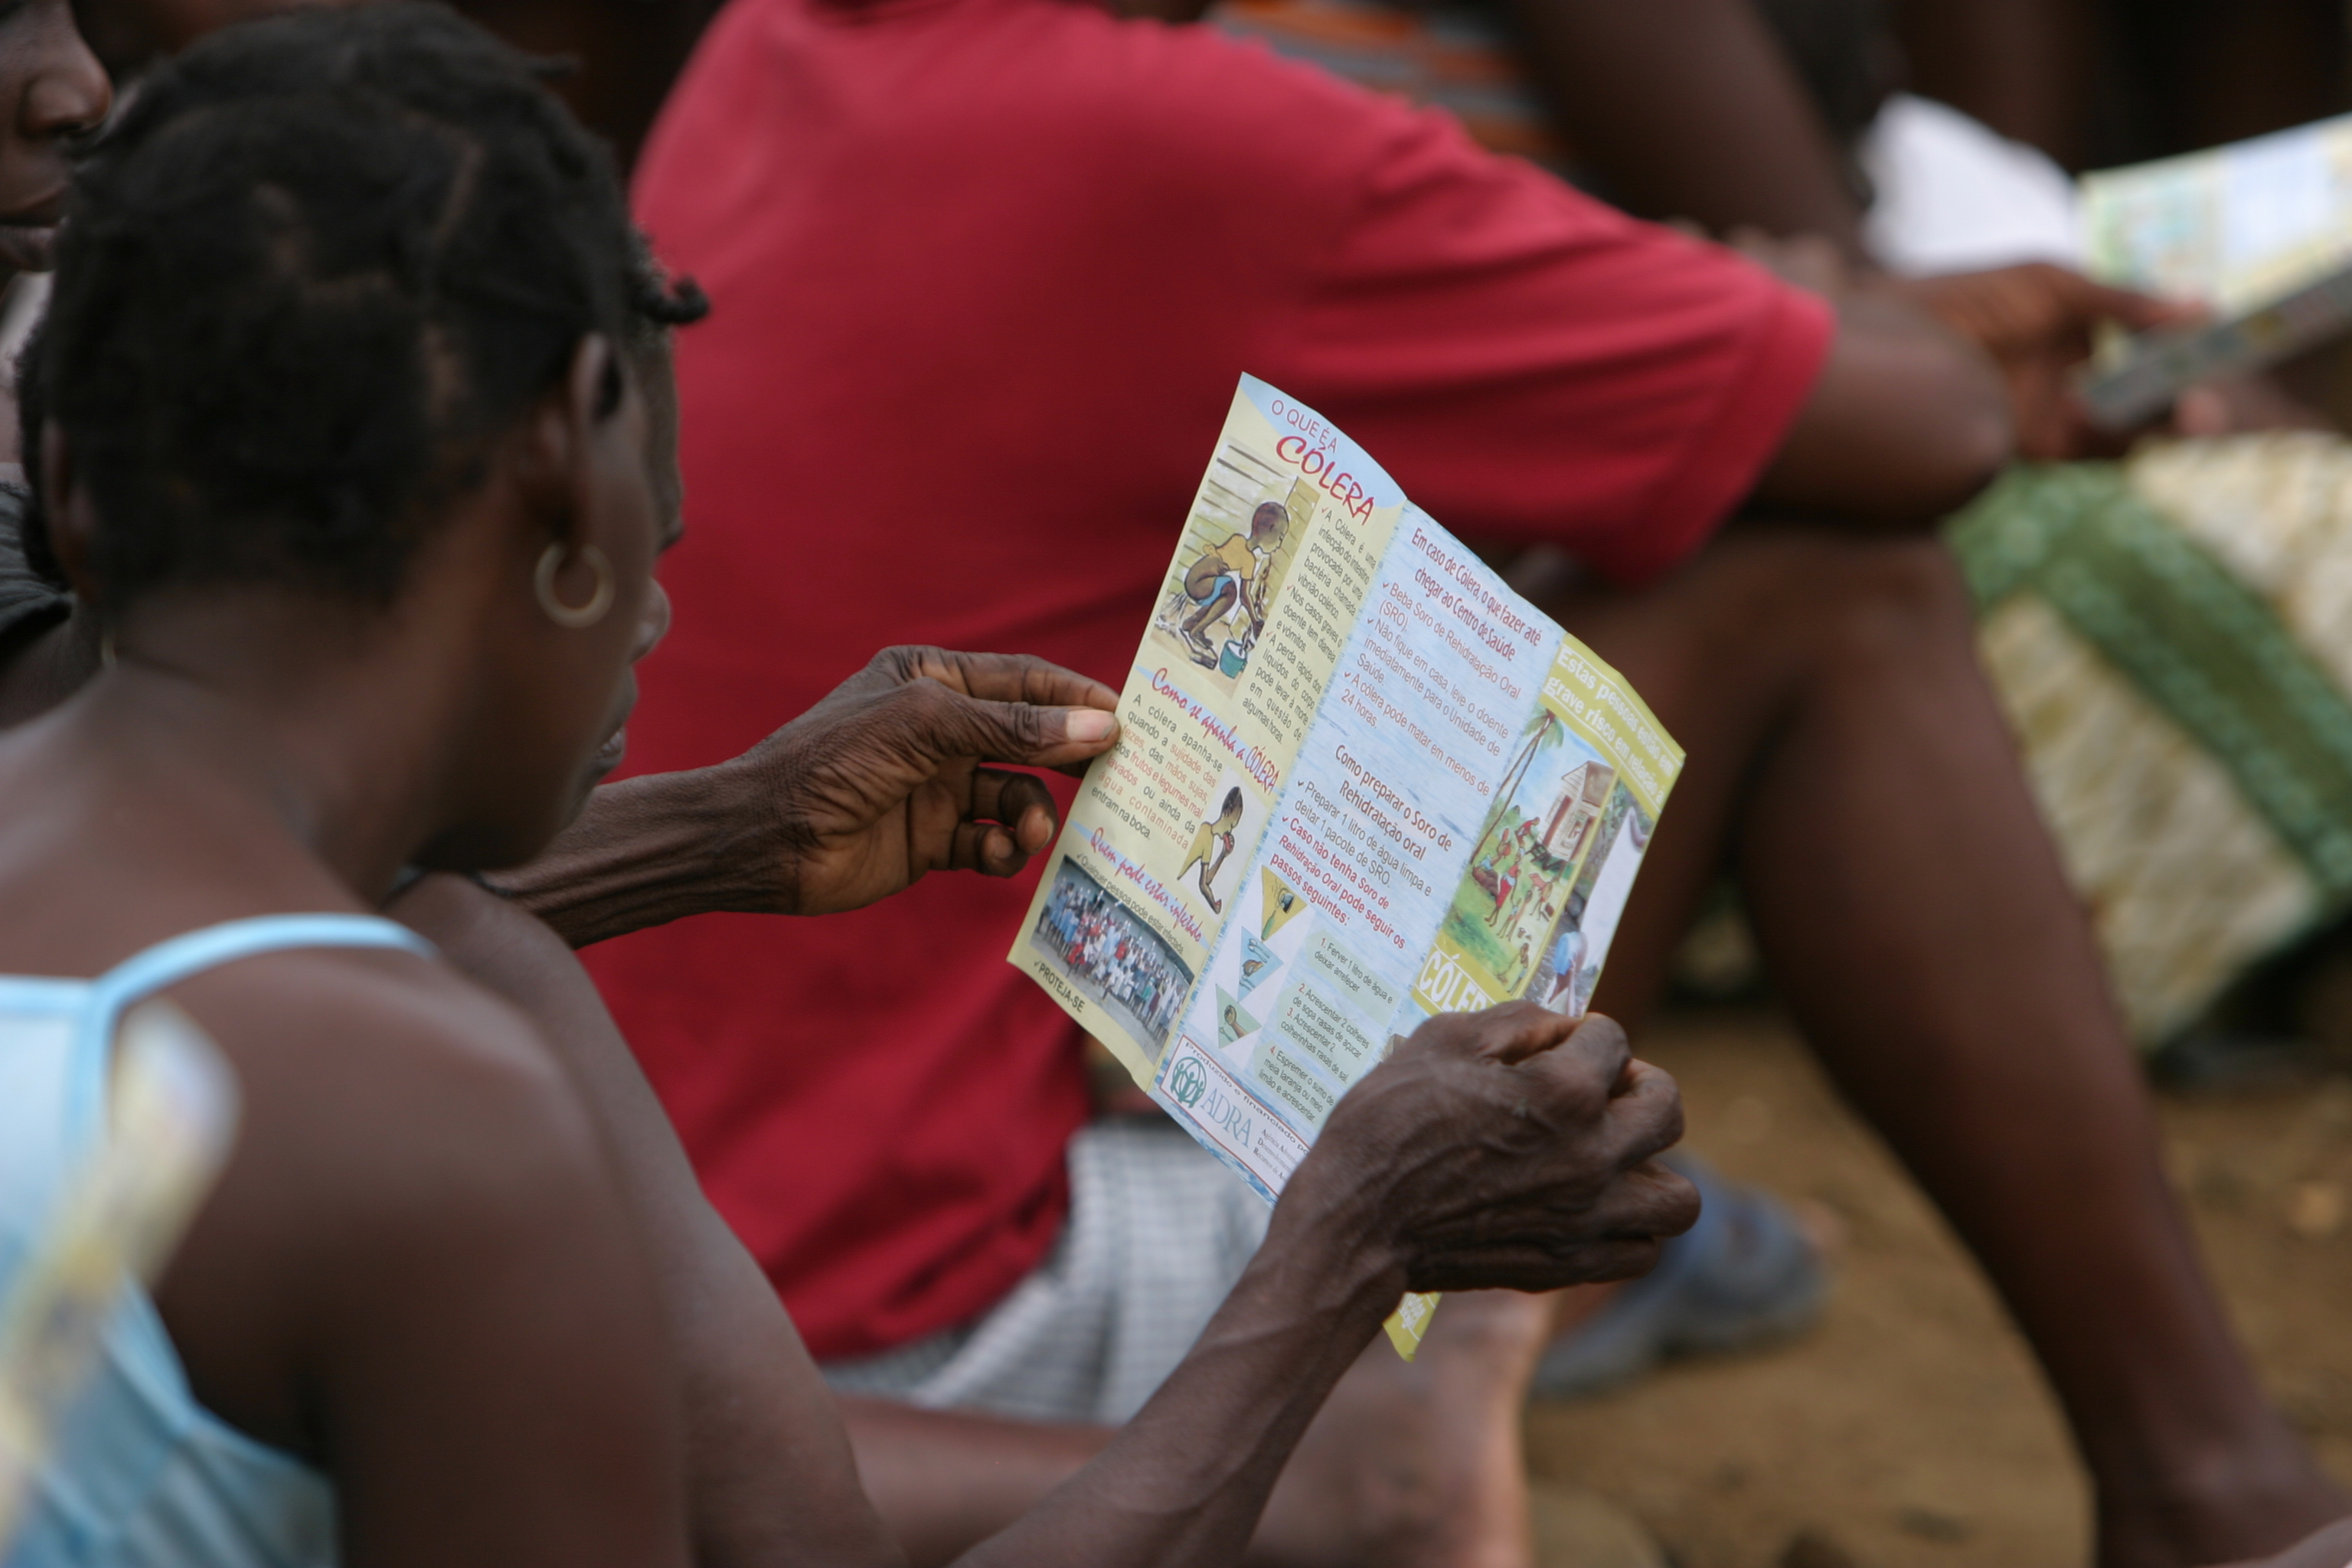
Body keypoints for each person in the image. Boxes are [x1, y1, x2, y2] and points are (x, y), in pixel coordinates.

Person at [587, 0, 2349, 1561]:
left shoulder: (778, 42)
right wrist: (1824, 311)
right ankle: (2204, 1485)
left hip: (638, 1249)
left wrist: (1833, 318)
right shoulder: (1180, 133)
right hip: (915, 1307)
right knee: (1823, 579)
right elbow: (1931, 429)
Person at [0, 8, 1704, 1566]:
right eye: (661, 541)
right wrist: (1344, 1245)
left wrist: (727, 827)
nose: (659, 621)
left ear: (62, 478)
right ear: (570, 455)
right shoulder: (443, 1128)